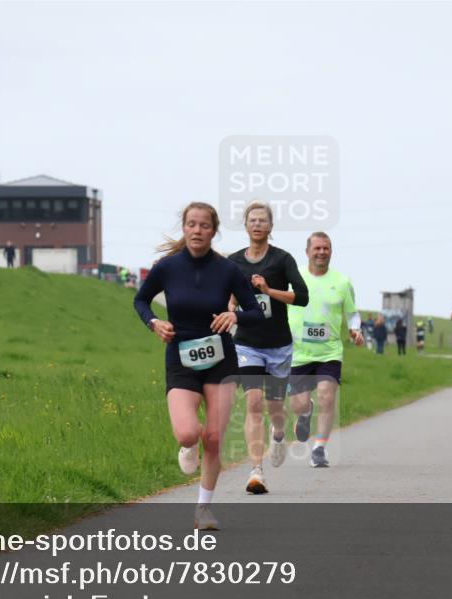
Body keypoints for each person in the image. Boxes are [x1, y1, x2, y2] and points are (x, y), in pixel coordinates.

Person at [133, 202, 263, 528]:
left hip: (220, 358)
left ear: (213, 231)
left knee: (215, 439)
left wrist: (235, 314)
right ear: (184, 228)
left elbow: (257, 311)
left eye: (204, 225)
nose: (197, 230)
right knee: (189, 433)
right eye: (191, 224)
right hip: (181, 356)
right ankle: (189, 446)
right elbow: (140, 299)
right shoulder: (167, 267)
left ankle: (203, 509)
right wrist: (154, 323)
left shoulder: (228, 270)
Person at [227, 201, 308, 495]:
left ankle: (278, 434)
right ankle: (256, 471)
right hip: (247, 343)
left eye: (263, 221)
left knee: (275, 409)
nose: (258, 224)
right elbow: (229, 296)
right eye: (253, 220)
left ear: (271, 227)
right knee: (253, 402)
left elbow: (302, 297)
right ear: (246, 225)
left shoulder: (282, 259)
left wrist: (268, 291)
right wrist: (230, 309)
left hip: (278, 346)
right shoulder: (234, 261)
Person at [287, 232, 364, 468]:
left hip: (329, 351)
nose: (322, 252)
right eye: (317, 248)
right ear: (308, 251)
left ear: (331, 251)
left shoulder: (341, 281)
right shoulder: (293, 278)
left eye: (326, 248)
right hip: (298, 352)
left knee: (327, 396)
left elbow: (352, 313)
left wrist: (355, 329)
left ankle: (319, 448)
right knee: (297, 405)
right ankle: (305, 411)